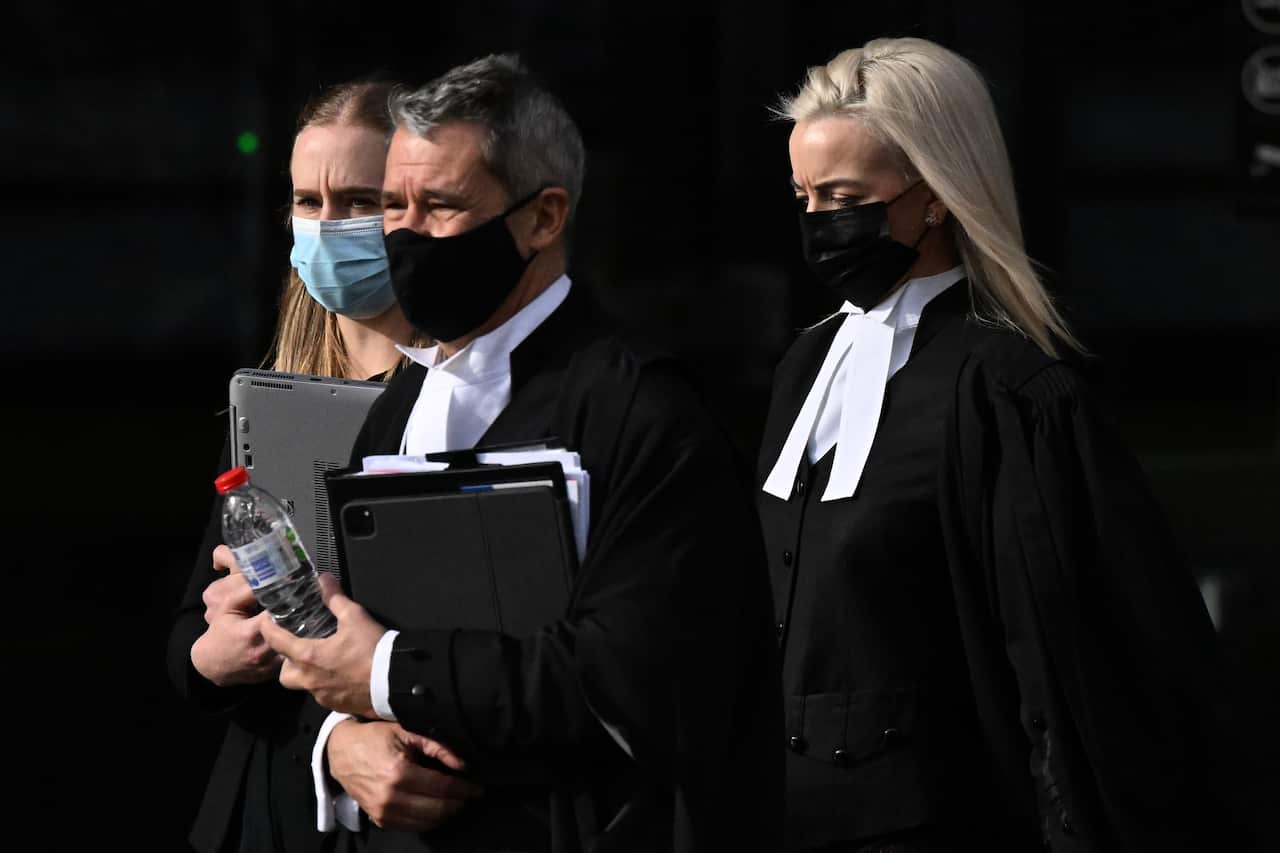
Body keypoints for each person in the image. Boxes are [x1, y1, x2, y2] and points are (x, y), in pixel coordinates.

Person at [258, 54, 783, 852]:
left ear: (543, 218)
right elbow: (338, 645)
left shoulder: (642, 412)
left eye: (440, 205)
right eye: (392, 205)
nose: (405, 233)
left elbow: (633, 676)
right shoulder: (400, 400)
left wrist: (390, 672)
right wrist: (340, 742)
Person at [757, 37, 1251, 852]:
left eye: (841, 196)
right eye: (803, 195)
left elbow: (1064, 660)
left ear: (935, 196)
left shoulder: (1009, 392)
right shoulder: (804, 365)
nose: (816, 224)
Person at [166, 79, 429, 853]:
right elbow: (191, 634)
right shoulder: (273, 396)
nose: (327, 224)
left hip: (399, 808)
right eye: (308, 200)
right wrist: (209, 655)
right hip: (269, 806)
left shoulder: (458, 399)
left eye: (358, 199)